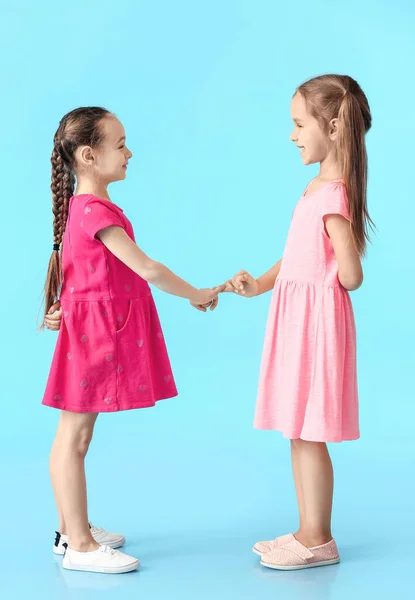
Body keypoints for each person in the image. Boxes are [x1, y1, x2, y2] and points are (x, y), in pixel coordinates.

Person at [40, 107, 222, 574]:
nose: (129, 152)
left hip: (92, 334)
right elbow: (148, 268)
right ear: (88, 155)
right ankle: (78, 544)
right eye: (120, 145)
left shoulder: (85, 209)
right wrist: (197, 294)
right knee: (73, 440)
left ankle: (71, 529)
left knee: (75, 437)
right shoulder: (95, 210)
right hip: (93, 338)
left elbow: (81, 273)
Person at [224, 74, 373, 571]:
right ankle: (309, 529)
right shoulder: (315, 189)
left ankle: (318, 538)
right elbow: (297, 256)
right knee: (298, 429)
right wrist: (262, 284)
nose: (292, 134)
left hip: (316, 324)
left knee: (310, 432)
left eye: (298, 123)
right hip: (298, 319)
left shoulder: (332, 196)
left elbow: (350, 275)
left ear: (332, 127)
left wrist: (336, 269)